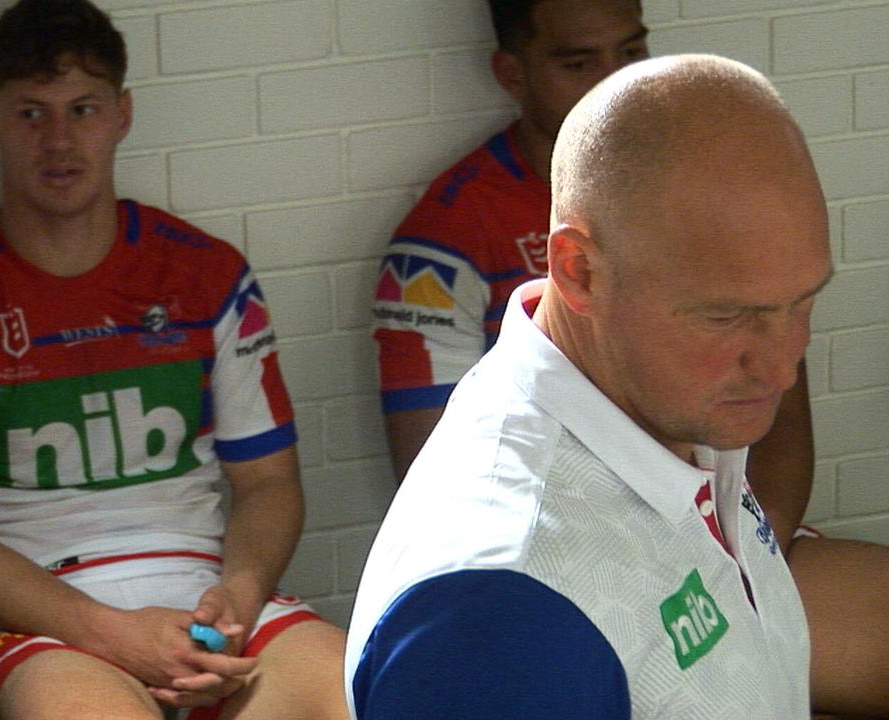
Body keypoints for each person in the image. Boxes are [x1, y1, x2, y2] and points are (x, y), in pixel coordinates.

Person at [372, 2, 889, 715]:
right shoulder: (500, 614)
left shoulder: (678, 399)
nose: (782, 369)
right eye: (725, 315)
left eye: (802, 304)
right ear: (578, 272)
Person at [0, 1, 349, 719]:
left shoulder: (210, 276)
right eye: (31, 113)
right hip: (46, 627)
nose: (59, 140)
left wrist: (235, 601)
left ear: (121, 114)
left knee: (355, 691)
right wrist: (117, 636)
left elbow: (270, 484)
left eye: (82, 109)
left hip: (213, 602)